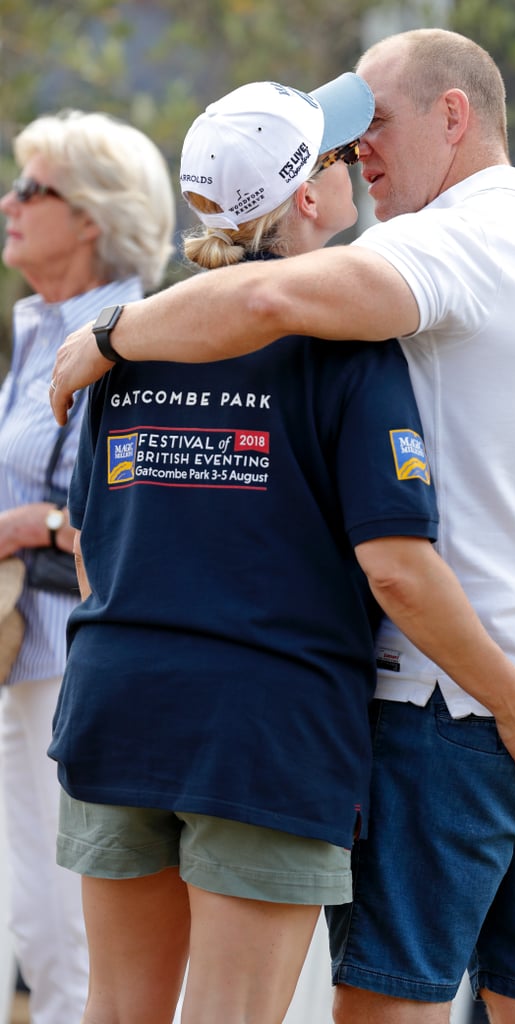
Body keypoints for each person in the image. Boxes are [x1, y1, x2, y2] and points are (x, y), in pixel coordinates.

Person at [49, 27, 515, 1024]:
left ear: (451, 114)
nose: (360, 156)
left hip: (441, 700)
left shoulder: (411, 263)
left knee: (358, 1008)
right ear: (298, 194)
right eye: (341, 147)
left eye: (370, 126)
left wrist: (107, 333)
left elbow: (95, 538)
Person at [0, 110, 174, 1023]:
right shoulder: (40, 327)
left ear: (94, 217)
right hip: (32, 657)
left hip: (76, 654)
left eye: (35, 189)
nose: (10, 202)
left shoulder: (125, 337)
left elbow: (136, 506)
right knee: (40, 925)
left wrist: (24, 522)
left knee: (74, 935)